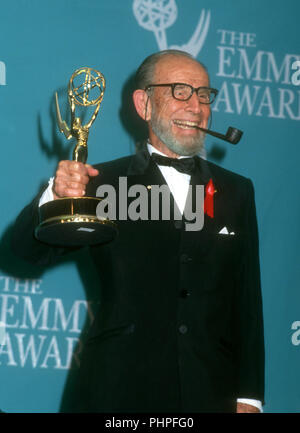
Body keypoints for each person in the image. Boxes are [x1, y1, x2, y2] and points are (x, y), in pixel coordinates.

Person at [12, 50, 264, 413]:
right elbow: (27, 251)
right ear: (144, 104)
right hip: (117, 392)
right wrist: (54, 195)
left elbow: (247, 302)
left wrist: (249, 396)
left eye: (204, 94)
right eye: (180, 91)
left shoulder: (238, 191)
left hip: (211, 392)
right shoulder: (101, 184)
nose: (196, 106)